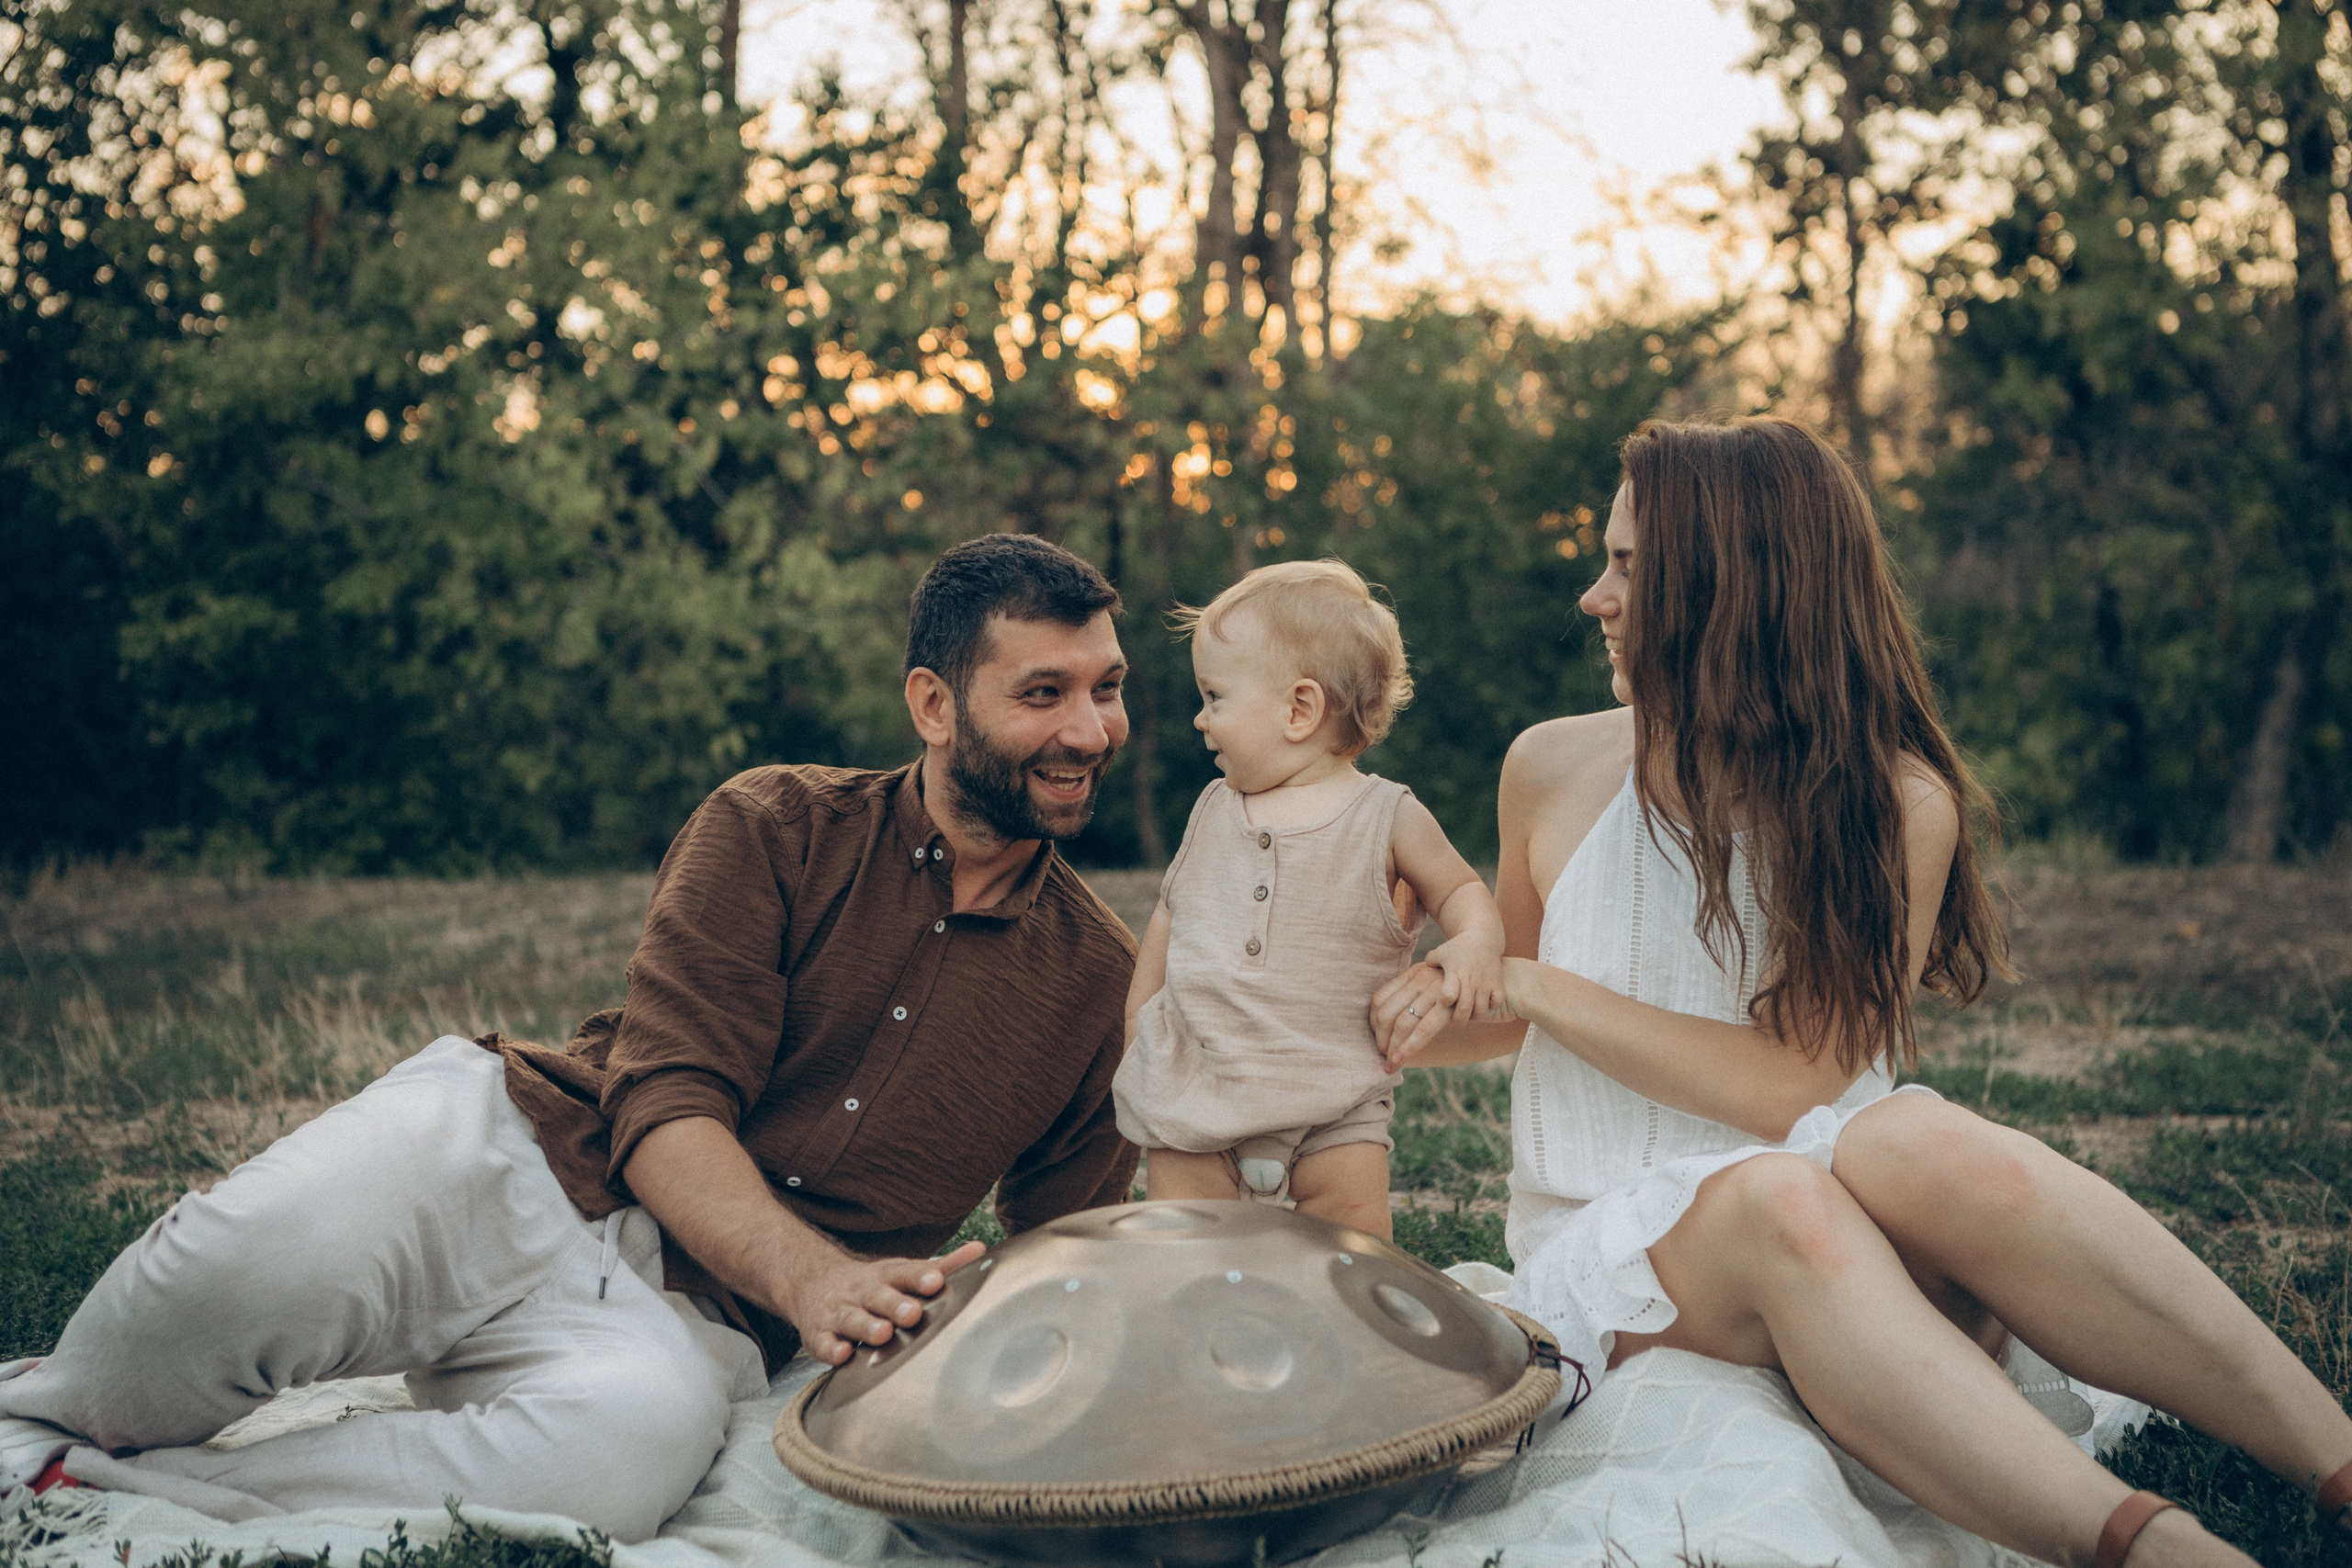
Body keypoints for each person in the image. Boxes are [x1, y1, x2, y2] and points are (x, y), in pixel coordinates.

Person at [0, 534, 1144, 1542]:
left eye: (1107, 688)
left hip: (694, 1328)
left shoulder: (1102, 981)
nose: (1089, 731)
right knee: (225, 1285)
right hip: (515, 1158)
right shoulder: (773, 824)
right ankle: (50, 1421)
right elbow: (667, 1107)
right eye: (1043, 693)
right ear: (934, 705)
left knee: (617, 1467)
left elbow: (1072, 1252)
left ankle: (114, 1486)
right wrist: (819, 1282)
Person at [1373, 418, 2352, 1568]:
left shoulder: (1894, 799)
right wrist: (1360, 1018)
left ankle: (2335, 1462)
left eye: (1629, 566)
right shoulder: (1550, 763)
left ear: (1728, 584)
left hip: (1865, 1233)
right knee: (1780, 1200)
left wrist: (1538, 987)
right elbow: (1493, 1010)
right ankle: (2156, 1550)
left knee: (1915, 1139)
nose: (1595, 596)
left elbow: (1797, 1086)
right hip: (1633, 1255)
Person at [1114, 559, 1504, 1238]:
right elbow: (1172, 920)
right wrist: (1139, 1028)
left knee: (1352, 1248)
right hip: (1199, 1090)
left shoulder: (1388, 815)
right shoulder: (1213, 807)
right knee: (1182, 1249)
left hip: (1336, 1106)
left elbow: (1463, 889)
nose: (1201, 720)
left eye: (1214, 697)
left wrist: (1473, 941)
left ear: (1299, 709)